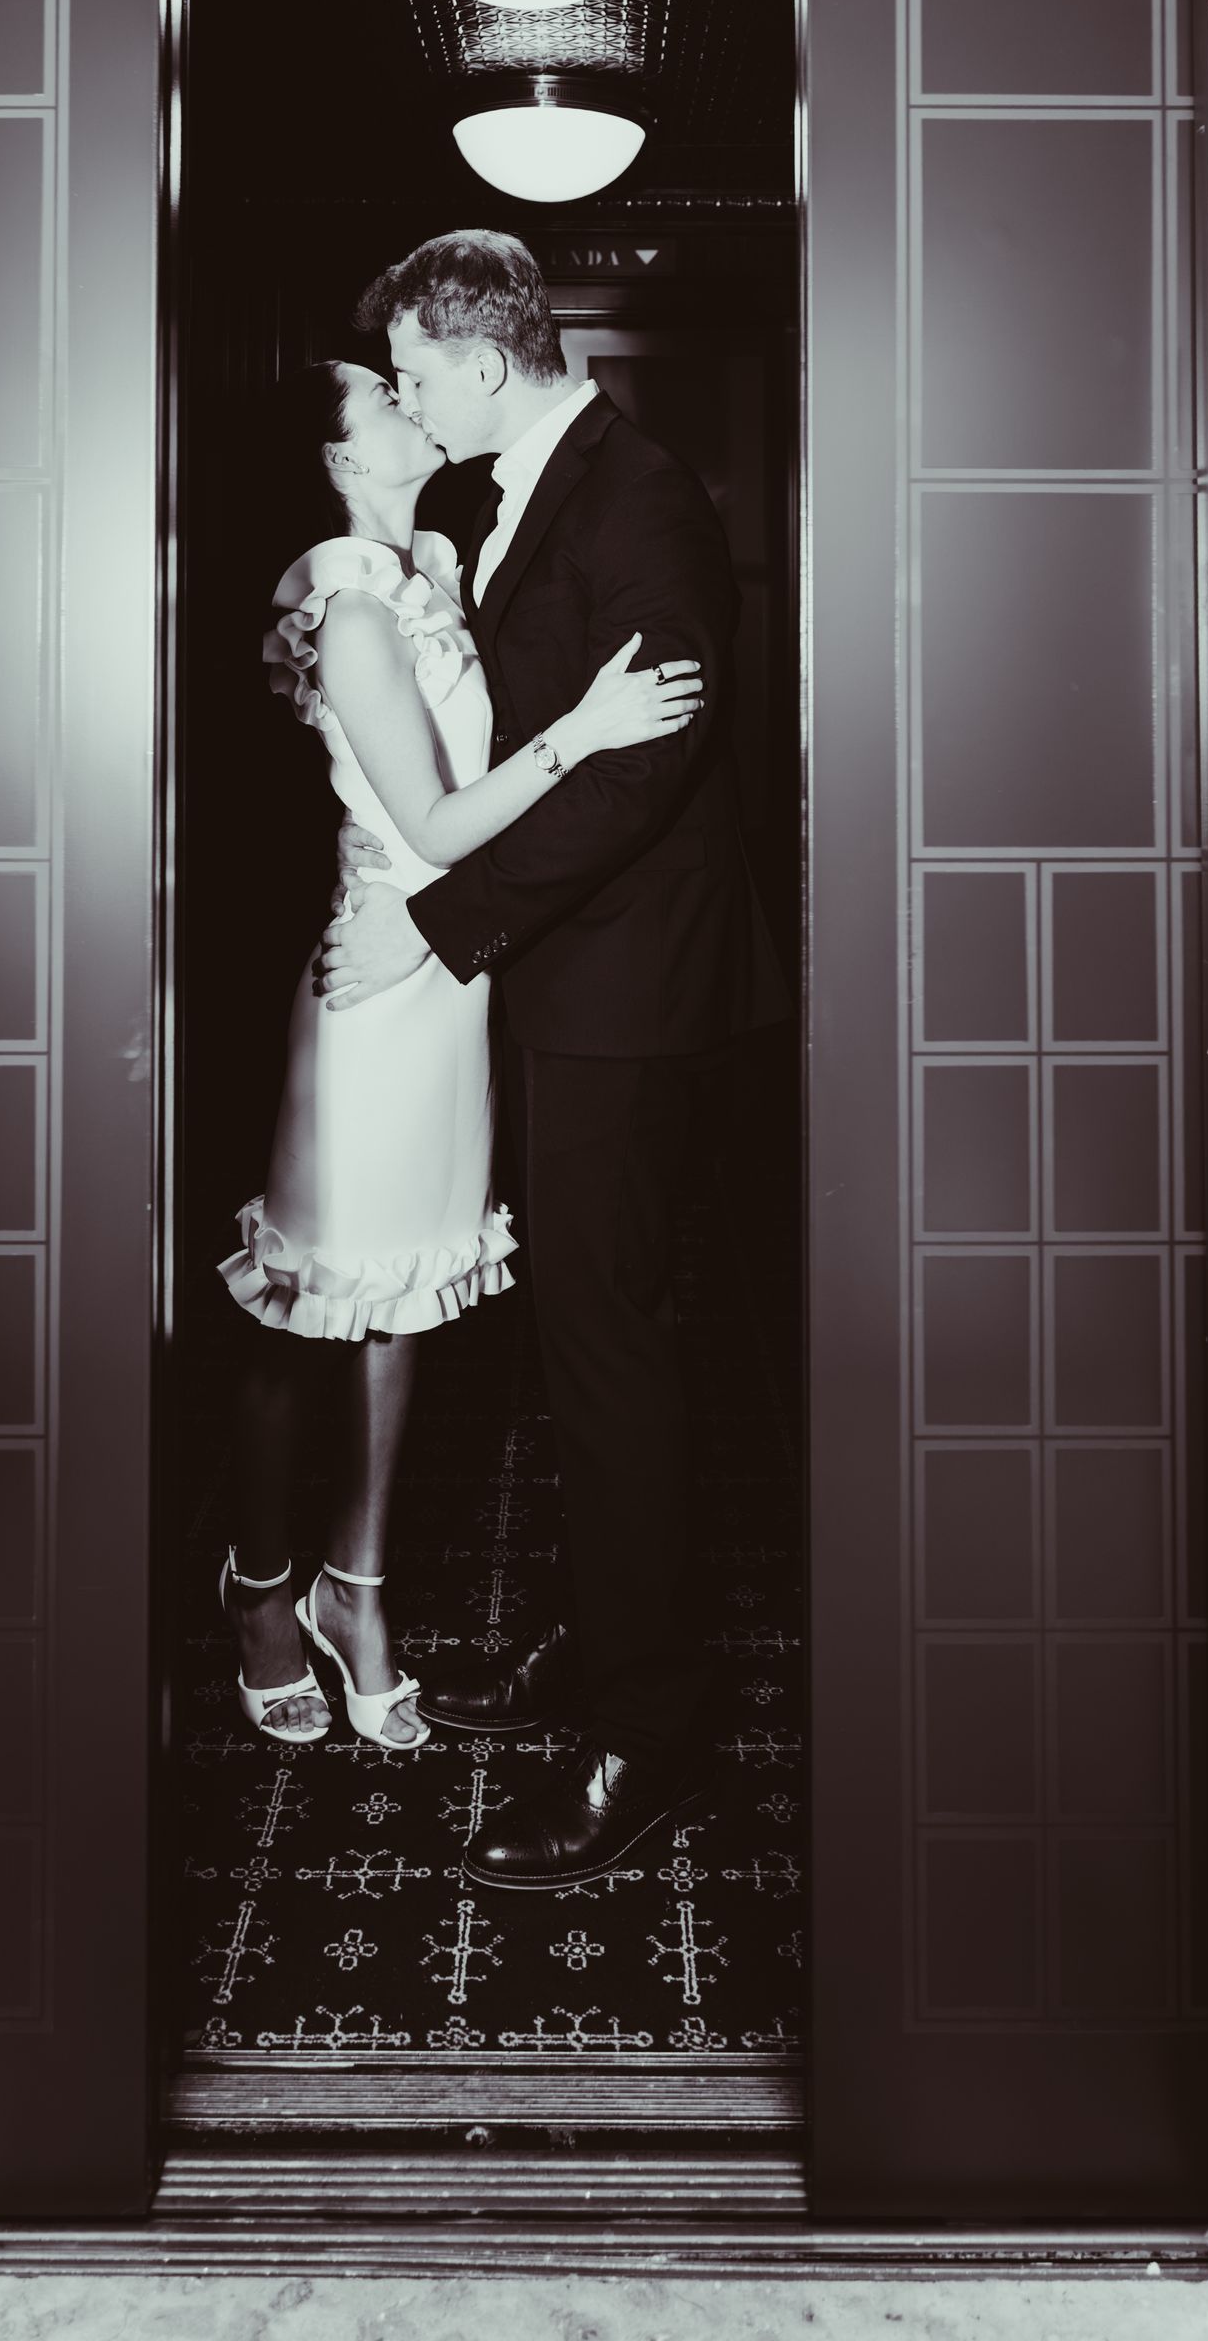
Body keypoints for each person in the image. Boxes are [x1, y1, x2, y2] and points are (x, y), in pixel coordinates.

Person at [319, 229, 783, 1889]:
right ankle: (615, 1654)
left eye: (416, 367)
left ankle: (645, 1739)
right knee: (587, 1342)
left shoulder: (637, 489)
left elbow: (641, 769)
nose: (408, 395)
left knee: (610, 1346)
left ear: (480, 347)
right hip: (572, 981)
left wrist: (448, 928)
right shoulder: (528, 486)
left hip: (632, 995)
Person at [216, 356, 702, 1757]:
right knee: (314, 1299)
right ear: (335, 455)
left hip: (451, 978)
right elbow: (430, 829)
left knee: (407, 1296)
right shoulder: (353, 607)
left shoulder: (430, 563)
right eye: (382, 397)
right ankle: (257, 1593)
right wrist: (587, 736)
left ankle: (353, 1594)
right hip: (382, 973)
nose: (409, 403)